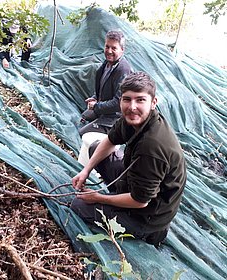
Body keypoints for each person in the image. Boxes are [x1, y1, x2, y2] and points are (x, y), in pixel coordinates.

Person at [71, 71, 187, 247]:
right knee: (96, 147)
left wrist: (99, 197)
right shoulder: (133, 118)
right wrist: (85, 170)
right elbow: (110, 140)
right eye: (127, 99)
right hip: (135, 179)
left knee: (79, 205)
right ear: (121, 100)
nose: (132, 107)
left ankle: (147, 232)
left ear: (153, 102)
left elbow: (140, 201)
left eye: (140, 100)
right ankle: (117, 195)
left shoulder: (152, 147)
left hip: (146, 215)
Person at [79, 30, 132, 136]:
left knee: (83, 133)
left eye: (114, 48)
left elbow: (118, 103)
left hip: (115, 117)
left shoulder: (122, 70)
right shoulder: (107, 64)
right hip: (104, 109)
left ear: (122, 50)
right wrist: (95, 97)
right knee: (84, 117)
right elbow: (102, 88)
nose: (109, 51)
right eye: (107, 47)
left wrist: (97, 105)